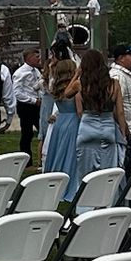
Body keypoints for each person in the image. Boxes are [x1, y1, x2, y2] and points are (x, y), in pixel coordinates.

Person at [71, 48, 127, 202]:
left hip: (87, 128)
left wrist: (76, 74)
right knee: (108, 172)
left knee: (85, 173)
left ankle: (85, 205)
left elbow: (67, 94)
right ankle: (107, 203)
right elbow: (120, 112)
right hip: (108, 128)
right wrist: (123, 133)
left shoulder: (81, 84)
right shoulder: (114, 84)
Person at [41, 53, 80, 190]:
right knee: (70, 154)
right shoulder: (74, 88)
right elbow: (78, 109)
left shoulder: (55, 87)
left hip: (60, 121)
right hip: (73, 121)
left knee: (59, 152)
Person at [11, 49, 43, 155]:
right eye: (36, 57)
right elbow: (17, 92)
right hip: (26, 106)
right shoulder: (20, 73)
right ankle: (26, 157)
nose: (39, 59)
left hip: (37, 105)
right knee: (27, 133)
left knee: (42, 130)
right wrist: (33, 100)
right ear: (29, 58)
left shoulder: (36, 71)